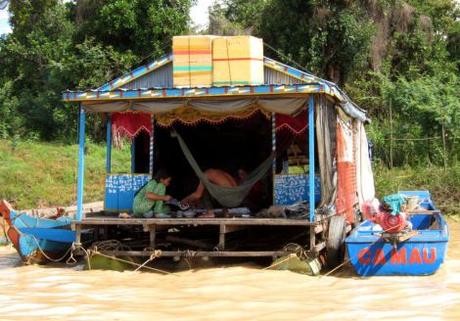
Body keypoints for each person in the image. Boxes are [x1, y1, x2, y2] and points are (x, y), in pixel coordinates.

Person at [181, 168, 248, 217]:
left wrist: (185, 200)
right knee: (220, 188)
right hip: (238, 199)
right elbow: (227, 190)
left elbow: (197, 195)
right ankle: (225, 212)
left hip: (230, 200)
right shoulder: (221, 172)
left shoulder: (206, 174)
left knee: (204, 189)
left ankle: (210, 213)